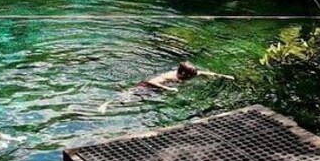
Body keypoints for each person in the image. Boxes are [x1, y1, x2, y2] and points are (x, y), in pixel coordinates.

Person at [98, 61, 234, 113]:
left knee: (134, 101)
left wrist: (223, 76)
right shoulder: (169, 77)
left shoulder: (188, 74)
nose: (192, 77)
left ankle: (111, 102)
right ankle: (107, 104)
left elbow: (204, 73)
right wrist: (168, 89)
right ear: (182, 73)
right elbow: (150, 81)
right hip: (146, 87)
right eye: (190, 76)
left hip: (156, 90)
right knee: (128, 99)